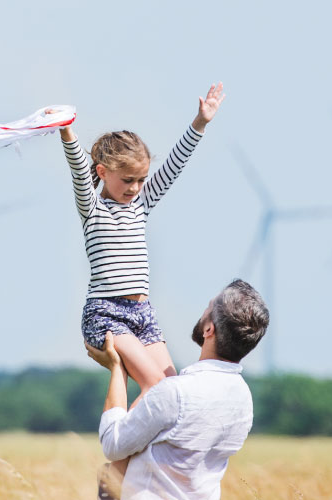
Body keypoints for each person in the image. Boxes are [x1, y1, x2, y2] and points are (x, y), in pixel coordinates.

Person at [59, 82, 228, 401]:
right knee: (153, 384)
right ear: (103, 172)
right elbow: (79, 173)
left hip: (143, 313)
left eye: (141, 180)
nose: (135, 188)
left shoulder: (140, 205)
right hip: (106, 313)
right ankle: (119, 448)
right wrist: (67, 132)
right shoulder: (93, 209)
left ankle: (147, 451)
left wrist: (200, 123)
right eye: (127, 180)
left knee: (172, 389)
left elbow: (173, 167)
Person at [86, 279, 270, 500]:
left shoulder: (176, 393)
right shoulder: (244, 400)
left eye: (208, 307)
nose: (203, 312)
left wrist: (117, 369)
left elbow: (112, 444)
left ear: (209, 329)